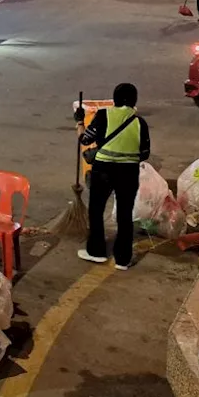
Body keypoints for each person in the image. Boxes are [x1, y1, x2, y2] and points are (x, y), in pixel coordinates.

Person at [78, 83, 150, 270]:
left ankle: (96, 252)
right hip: (128, 172)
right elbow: (145, 153)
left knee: (96, 209)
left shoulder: (103, 115)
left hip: (103, 170)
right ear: (134, 100)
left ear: (114, 99)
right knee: (125, 214)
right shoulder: (139, 122)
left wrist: (79, 122)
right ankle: (122, 259)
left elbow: (85, 139)